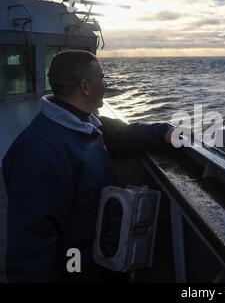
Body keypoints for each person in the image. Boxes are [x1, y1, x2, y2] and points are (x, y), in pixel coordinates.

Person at [2, 50, 174, 282]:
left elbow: (123, 134)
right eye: (102, 79)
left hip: (95, 261)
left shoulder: (83, 123)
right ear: (85, 86)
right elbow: (31, 251)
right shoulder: (39, 152)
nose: (106, 84)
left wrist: (165, 132)